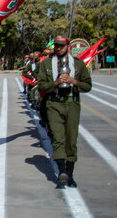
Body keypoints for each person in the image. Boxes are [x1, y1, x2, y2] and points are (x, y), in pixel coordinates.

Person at [36, 36, 91, 187]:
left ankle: (70, 174)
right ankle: (62, 172)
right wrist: (56, 83)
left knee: (71, 140)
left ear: (68, 47)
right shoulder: (46, 64)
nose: (58, 48)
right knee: (58, 138)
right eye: (57, 46)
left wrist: (73, 81)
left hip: (72, 104)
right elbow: (41, 86)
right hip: (54, 104)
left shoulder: (78, 65)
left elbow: (88, 86)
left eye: (61, 46)